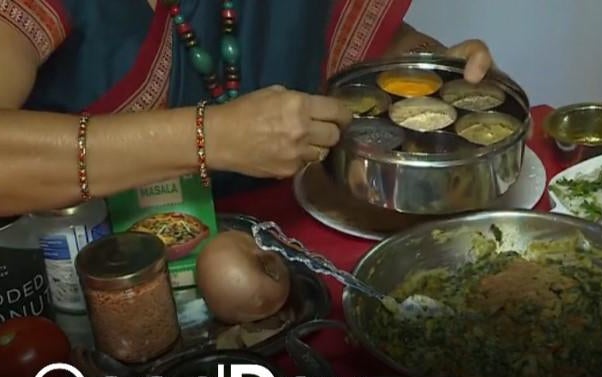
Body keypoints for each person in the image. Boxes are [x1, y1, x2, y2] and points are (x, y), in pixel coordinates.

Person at [0, 0, 495, 216]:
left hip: (288, 247)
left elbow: (352, 43)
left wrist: (435, 71)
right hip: (104, 292)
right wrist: (209, 138)